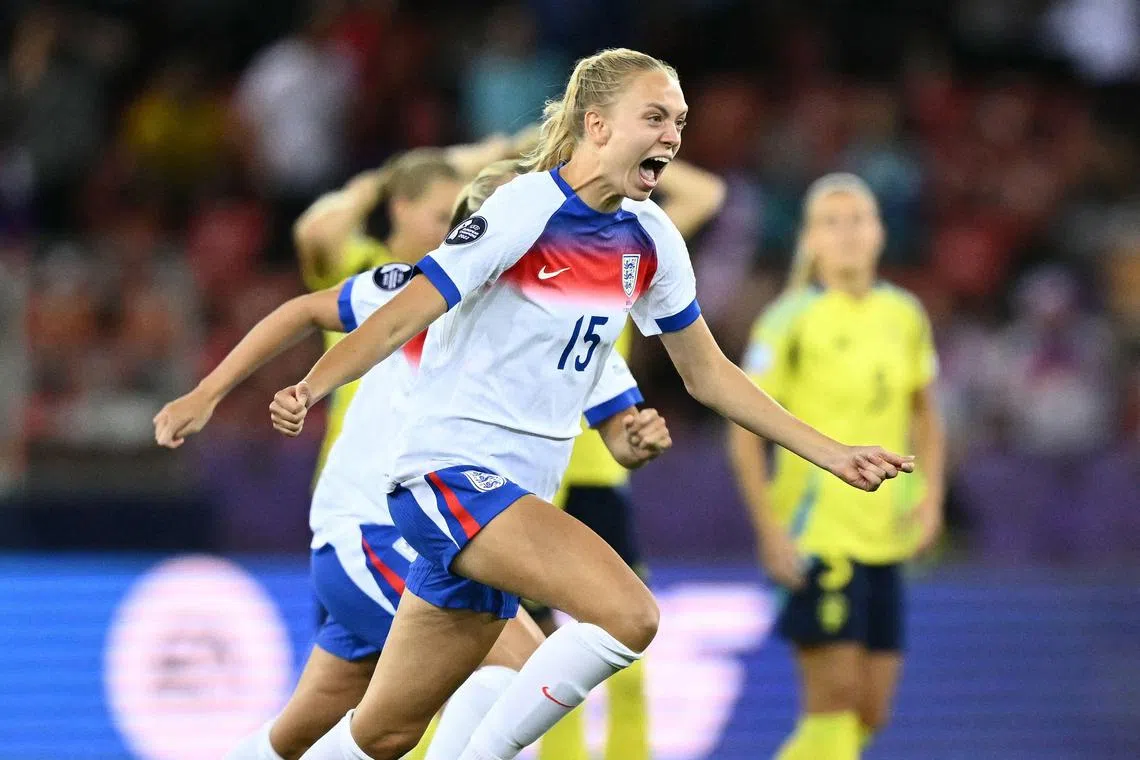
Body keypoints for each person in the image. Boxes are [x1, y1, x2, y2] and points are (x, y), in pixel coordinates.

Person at [273, 48, 913, 760]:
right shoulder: (524, 207)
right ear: (598, 124)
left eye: (679, 120)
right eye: (655, 116)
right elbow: (402, 313)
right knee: (629, 615)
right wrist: (312, 385)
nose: (673, 134)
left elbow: (707, 373)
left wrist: (829, 451)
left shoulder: (652, 238)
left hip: (515, 494)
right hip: (450, 479)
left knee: (382, 735)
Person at [153, 191, 668, 759]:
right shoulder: (423, 289)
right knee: (516, 669)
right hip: (374, 530)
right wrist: (210, 393)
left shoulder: (572, 325)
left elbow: (622, 428)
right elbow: (307, 306)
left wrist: (638, 436)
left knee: (314, 736)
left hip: (449, 542)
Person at [727, 173, 945, 760]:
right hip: (815, 533)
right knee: (835, 703)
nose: (847, 233)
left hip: (884, 536)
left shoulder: (904, 315)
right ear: (810, 240)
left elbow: (925, 414)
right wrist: (770, 533)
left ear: (880, 233)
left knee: (871, 711)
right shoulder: (788, 321)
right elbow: (743, 433)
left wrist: (930, 499)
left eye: (859, 219)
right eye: (831, 221)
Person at [523, 157, 726, 760]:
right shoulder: (514, 231)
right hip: (524, 470)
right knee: (531, 654)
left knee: (624, 639)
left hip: (596, 464)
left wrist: (619, 157)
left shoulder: (629, 234)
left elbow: (706, 192)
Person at [295, 136, 528, 482]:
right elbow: (315, 234)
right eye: (439, 216)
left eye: (457, 215)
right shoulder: (360, 266)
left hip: (433, 473)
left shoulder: (466, 277)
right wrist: (381, 182)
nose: (451, 227)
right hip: (355, 475)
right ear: (400, 208)